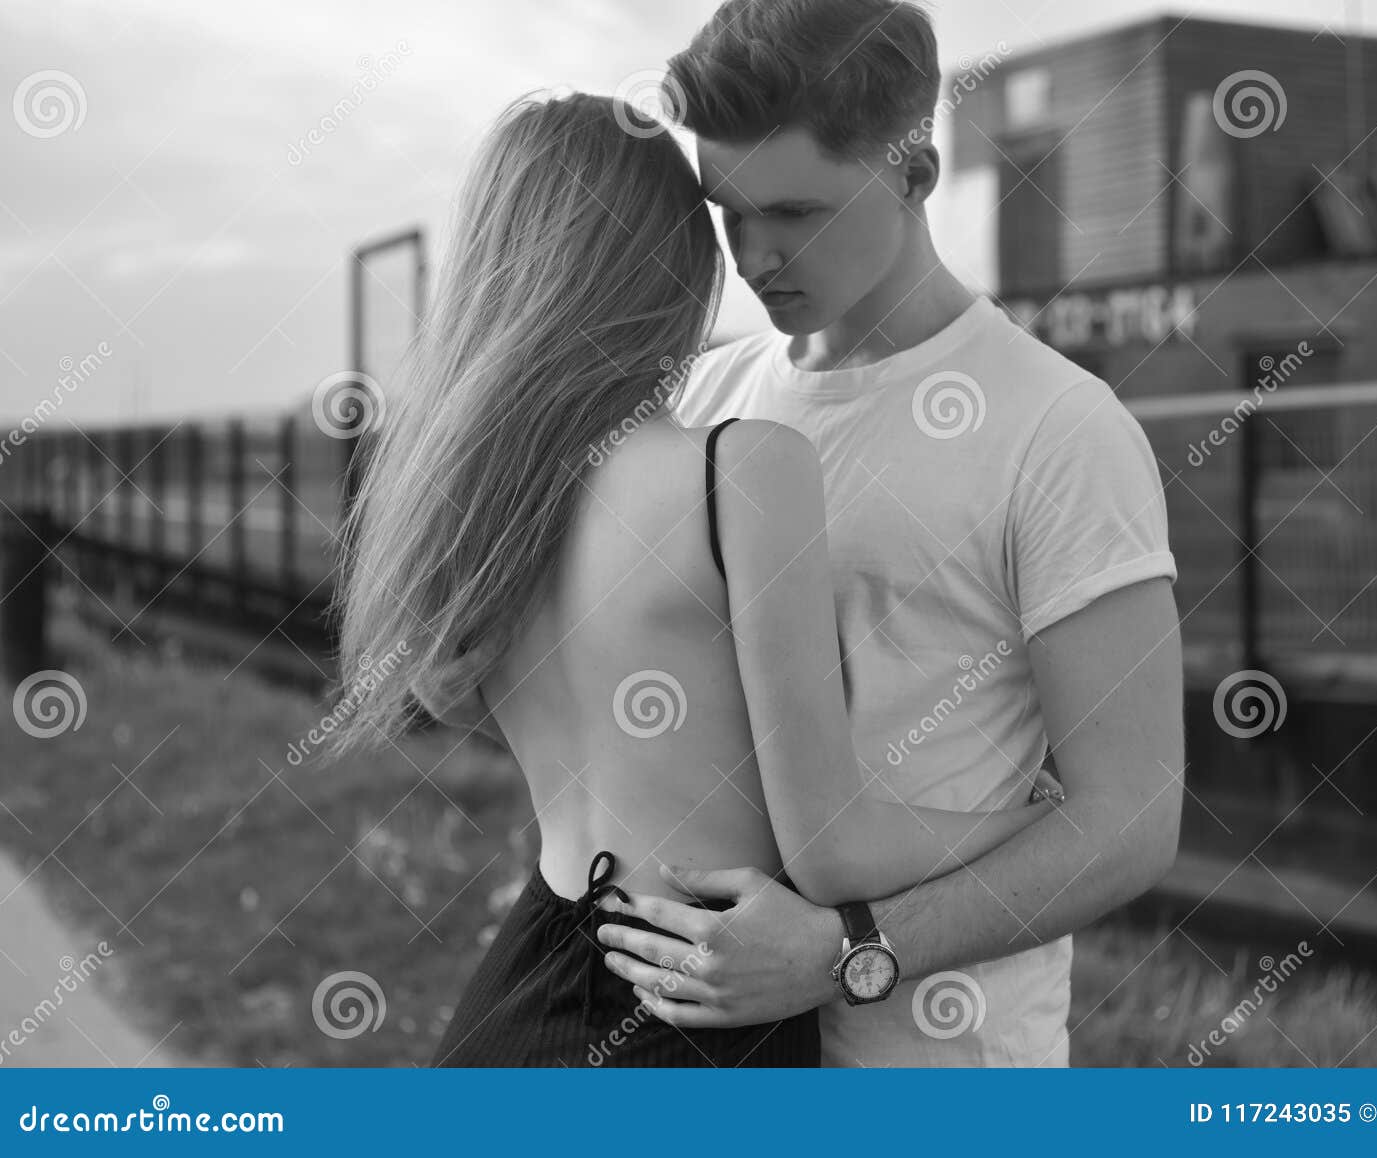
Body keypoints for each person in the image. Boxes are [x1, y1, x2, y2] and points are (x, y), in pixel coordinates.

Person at [325, 88, 1056, 1067]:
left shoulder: (480, 496)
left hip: (517, 998)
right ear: (672, 261)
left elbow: (452, 699)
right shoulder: (741, 468)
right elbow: (831, 850)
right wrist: (1020, 817)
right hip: (693, 1020)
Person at [592, 0, 1185, 1066]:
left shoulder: (1057, 428)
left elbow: (1132, 821)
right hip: (706, 1064)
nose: (754, 256)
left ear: (914, 174)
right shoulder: (702, 401)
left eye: (795, 211)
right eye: (728, 213)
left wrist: (845, 954)